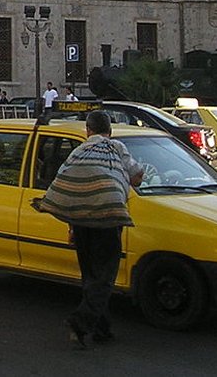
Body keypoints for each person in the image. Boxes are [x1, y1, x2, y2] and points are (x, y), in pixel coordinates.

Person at [36, 111, 144, 349]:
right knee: (105, 278)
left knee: (91, 277)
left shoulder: (78, 152)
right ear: (110, 130)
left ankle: (101, 329)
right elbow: (136, 177)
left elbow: (69, 187)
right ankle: (80, 322)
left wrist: (72, 226)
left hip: (82, 223)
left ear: (88, 130)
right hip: (108, 221)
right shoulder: (116, 147)